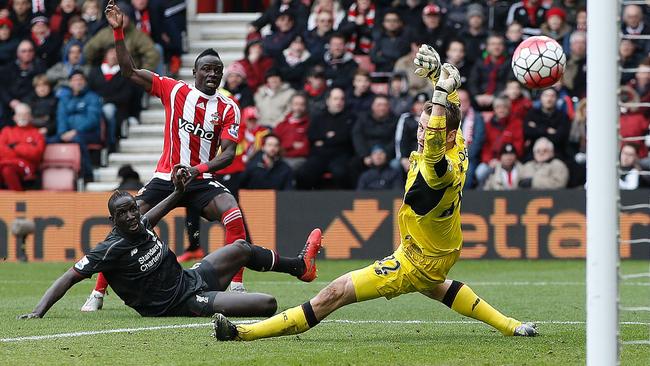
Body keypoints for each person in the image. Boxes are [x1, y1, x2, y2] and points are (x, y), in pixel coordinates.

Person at [212, 54, 537, 341]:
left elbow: (438, 139)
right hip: (433, 249)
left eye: (427, 129)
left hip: (416, 260)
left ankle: (242, 333)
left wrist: (439, 89)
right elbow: (452, 118)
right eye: (420, 127)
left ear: (444, 136)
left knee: (333, 293)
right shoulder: (460, 147)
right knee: (439, 287)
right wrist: (440, 77)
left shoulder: (441, 168)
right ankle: (511, 326)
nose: (421, 134)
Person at [79, 0, 253, 312]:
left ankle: (237, 284)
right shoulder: (174, 90)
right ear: (194, 71)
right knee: (125, 226)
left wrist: (197, 170)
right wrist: (119, 32)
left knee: (233, 212)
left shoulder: (229, 107)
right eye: (206, 69)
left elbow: (228, 155)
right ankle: (98, 292)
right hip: (164, 178)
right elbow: (128, 71)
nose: (212, 74)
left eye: (218, 70)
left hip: (201, 178)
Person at [18, 166, 323, 319]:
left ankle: (300, 266)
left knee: (241, 247)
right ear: (113, 222)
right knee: (267, 304)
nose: (131, 216)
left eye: (132, 209)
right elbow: (69, 277)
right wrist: (39, 310)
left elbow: (168, 202)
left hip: (190, 278)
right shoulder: (109, 248)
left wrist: (180, 189)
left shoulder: (143, 222)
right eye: (122, 214)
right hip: (179, 303)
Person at [296, 87, 354, 189]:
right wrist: (330, 137)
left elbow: (345, 138)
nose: (339, 102)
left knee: (341, 173)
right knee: (303, 173)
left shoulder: (350, 117)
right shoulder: (318, 117)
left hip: (340, 156)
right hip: (319, 156)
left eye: (342, 99)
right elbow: (312, 136)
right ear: (328, 101)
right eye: (335, 99)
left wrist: (324, 139)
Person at [53, 70, 102, 182]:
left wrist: (76, 131)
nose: (78, 82)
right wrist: (62, 133)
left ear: (85, 82)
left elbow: (93, 120)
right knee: (47, 141)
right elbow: (61, 117)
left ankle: (88, 174)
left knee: (77, 139)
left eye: (80, 79)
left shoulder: (92, 97)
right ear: (70, 83)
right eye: (74, 80)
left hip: (90, 133)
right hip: (67, 133)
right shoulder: (64, 99)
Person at [0, 104, 46, 191]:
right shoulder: (6, 131)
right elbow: (1, 150)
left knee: (7, 170)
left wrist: (15, 147)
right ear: (14, 117)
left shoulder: (37, 134)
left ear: (30, 117)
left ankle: (19, 200)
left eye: (25, 114)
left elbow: (36, 154)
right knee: (6, 168)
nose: (22, 117)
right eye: (19, 114)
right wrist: (24, 148)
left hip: (27, 167)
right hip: (6, 163)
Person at [523, 88, 570, 160]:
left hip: (556, 154)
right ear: (541, 98)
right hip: (532, 155)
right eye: (546, 96)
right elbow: (527, 132)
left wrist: (537, 127)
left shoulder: (563, 116)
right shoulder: (532, 113)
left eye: (552, 96)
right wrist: (547, 130)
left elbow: (559, 138)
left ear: (557, 99)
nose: (549, 99)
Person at [467, 34, 509, 110]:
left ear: (503, 47)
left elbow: (508, 85)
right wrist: (477, 96)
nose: (496, 47)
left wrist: (494, 97)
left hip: (501, 100)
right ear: (487, 47)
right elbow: (472, 82)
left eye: (499, 44)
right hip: (479, 99)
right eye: (493, 44)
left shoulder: (509, 63)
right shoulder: (480, 62)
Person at [274, 93, 310, 171]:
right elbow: (275, 145)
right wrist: (291, 145)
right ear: (291, 105)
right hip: (280, 158)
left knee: (284, 169)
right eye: (296, 104)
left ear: (305, 106)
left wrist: (283, 148)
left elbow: (305, 149)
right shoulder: (281, 125)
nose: (298, 107)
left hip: (298, 160)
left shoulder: (309, 125)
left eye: (302, 104)